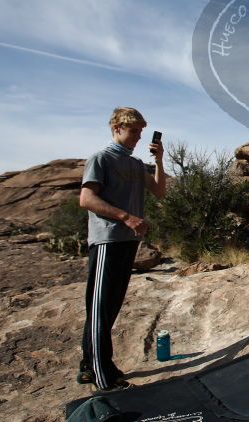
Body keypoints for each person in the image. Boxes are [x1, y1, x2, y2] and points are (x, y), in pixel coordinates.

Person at [76, 107, 166, 391]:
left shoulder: (136, 165)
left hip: (128, 242)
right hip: (107, 240)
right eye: (133, 131)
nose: (138, 136)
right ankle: (105, 377)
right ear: (116, 128)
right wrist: (125, 217)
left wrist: (159, 160)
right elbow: (87, 199)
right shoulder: (101, 159)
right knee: (100, 307)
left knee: (109, 307)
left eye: (141, 131)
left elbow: (160, 191)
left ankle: (89, 367)